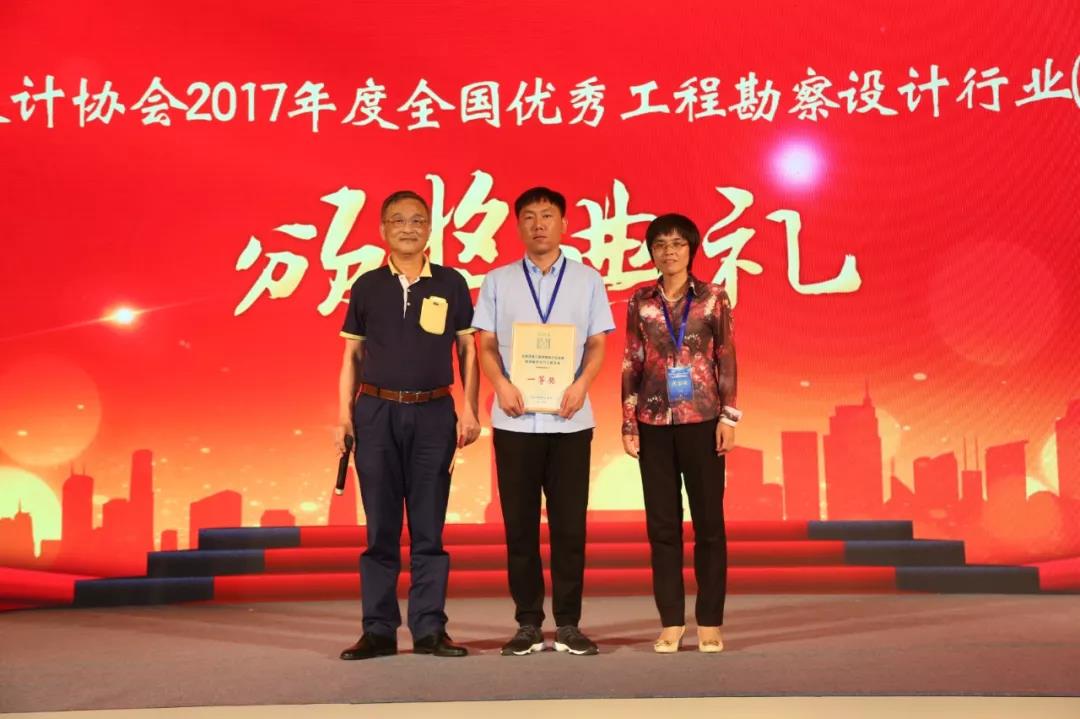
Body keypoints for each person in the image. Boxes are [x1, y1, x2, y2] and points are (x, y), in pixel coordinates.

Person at [334, 190, 481, 660]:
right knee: (380, 529)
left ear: (429, 229)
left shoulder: (451, 282)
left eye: (417, 220)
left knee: (428, 529)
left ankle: (429, 629)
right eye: (397, 220)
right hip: (375, 414)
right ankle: (378, 630)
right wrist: (344, 416)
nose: (408, 228)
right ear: (383, 229)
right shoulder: (367, 286)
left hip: (433, 413)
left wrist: (471, 408)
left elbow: (467, 349)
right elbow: (352, 356)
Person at [473, 186, 615, 656]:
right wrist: (501, 385)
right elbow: (485, 343)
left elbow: (597, 343)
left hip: (570, 420)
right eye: (530, 216)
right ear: (518, 226)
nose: (539, 224)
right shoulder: (497, 280)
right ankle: (528, 623)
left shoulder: (587, 280)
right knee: (520, 528)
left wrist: (581, 385)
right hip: (515, 420)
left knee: (570, 528)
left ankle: (569, 623)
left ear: (563, 224)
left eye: (548, 215)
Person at [621, 213, 741, 654]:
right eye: (660, 245)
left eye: (677, 244)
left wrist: (729, 417)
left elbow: (726, 357)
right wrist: (629, 421)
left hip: (703, 421)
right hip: (653, 423)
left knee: (709, 526)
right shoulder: (640, 301)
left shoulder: (713, 298)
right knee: (662, 527)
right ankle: (671, 621)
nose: (668, 251)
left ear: (691, 249)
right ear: (651, 252)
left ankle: (709, 621)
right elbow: (632, 361)